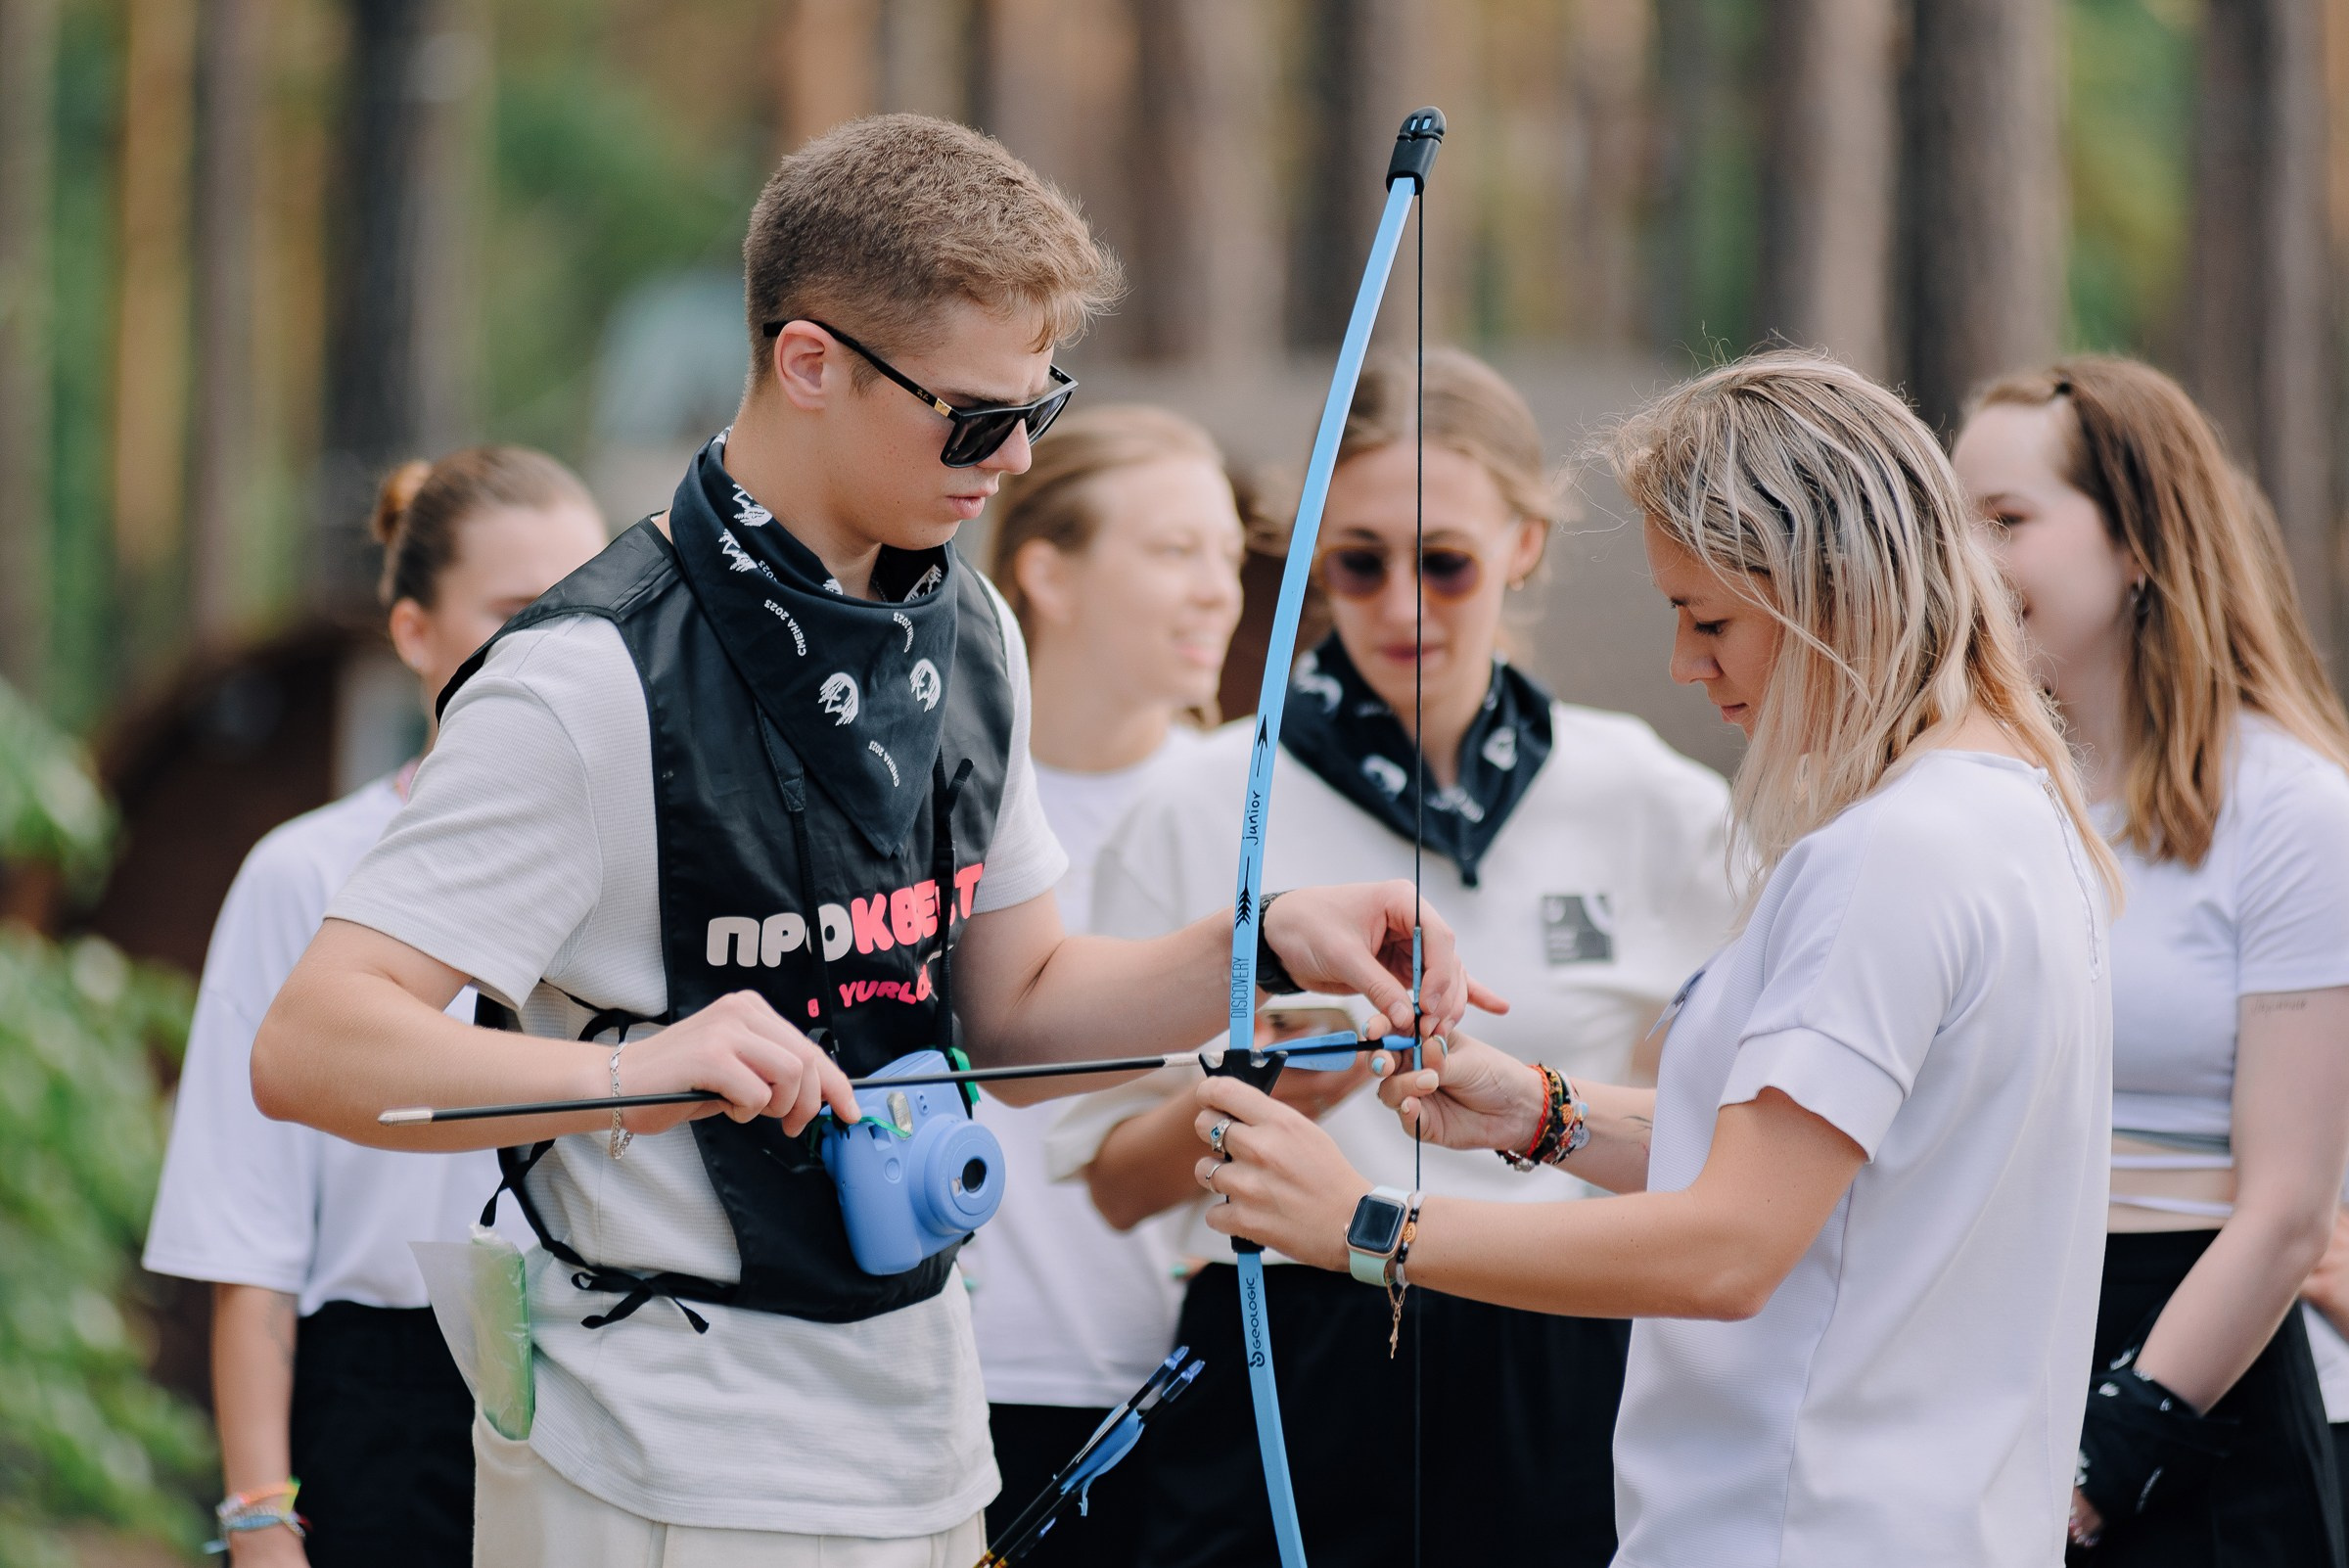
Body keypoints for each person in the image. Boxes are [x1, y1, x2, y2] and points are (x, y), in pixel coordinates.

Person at [247, 115, 1485, 1567]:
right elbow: (315, 1045)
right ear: (811, 361)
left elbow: (1018, 1016)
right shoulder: (586, 675)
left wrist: (1264, 936)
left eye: (1043, 405)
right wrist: (634, 1072)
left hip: (918, 1429)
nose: (1015, 458)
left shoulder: (971, 629)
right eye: (971, 417)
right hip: (660, 1454)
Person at [1190, 351, 2122, 1567]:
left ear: (1828, 588)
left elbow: (1730, 1247)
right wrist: (1544, 1114)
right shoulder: (2014, 816)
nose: (1688, 663)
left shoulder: (1893, 856)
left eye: (1709, 618)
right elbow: (1823, 1172)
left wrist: (1363, 1223)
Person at [1048, 348, 1738, 1567]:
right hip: (1288, 1336)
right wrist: (1259, 1098)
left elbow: (1714, 1129)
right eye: (1358, 562)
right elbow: (1109, 1183)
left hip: (1558, 1344)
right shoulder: (1207, 799)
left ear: (1525, 544)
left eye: (1445, 563)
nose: (1401, 607)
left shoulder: (1650, 796)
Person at [143, 448, 607, 1565]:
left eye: (589, 605)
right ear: (411, 634)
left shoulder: (647, 867)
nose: (561, 644)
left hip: (609, 1391)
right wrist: (261, 1518)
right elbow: (248, 1239)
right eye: (513, 611)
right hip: (383, 1410)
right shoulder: (307, 875)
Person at [1953, 356, 2349, 1564]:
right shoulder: (1976, 802)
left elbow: (2286, 1212)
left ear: (2138, 542)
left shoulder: (2294, 811)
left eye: (2006, 522)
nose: (1965, 563)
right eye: (1949, 525)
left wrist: (2103, 1461)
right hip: (1989, 1375)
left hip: (2202, 1415)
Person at [961, 405, 1247, 1563]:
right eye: (1176, 551)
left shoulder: (1250, 815)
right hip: (951, 1379)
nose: (1218, 592)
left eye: (1230, 557)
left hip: (1180, 1389)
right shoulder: (934, 790)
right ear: (1047, 571)